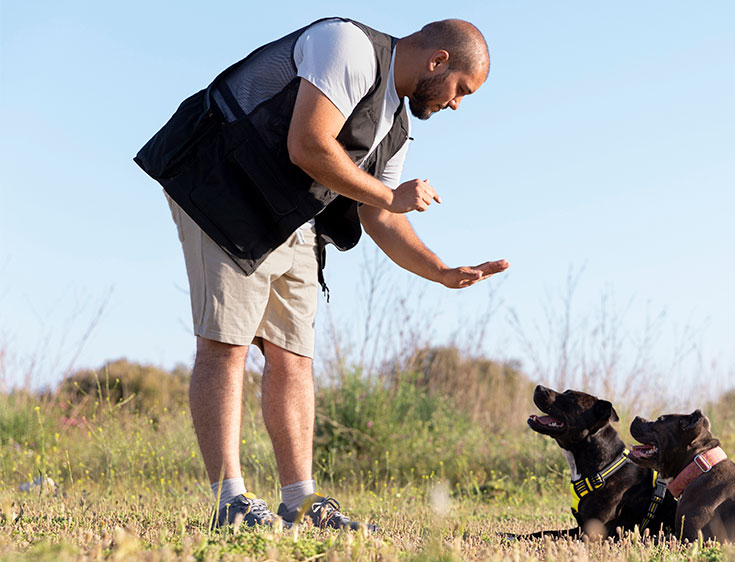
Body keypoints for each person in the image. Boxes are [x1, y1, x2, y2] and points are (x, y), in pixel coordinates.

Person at [134, 17, 508, 529]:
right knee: (228, 344)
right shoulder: (349, 47)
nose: (456, 104)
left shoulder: (397, 127)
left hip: (290, 212)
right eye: (460, 89)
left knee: (293, 356)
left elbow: (380, 215)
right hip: (222, 187)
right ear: (438, 61)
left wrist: (440, 271)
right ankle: (231, 502)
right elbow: (308, 144)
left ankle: (301, 504)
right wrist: (387, 195)